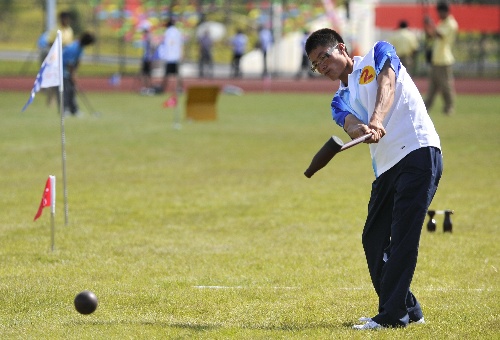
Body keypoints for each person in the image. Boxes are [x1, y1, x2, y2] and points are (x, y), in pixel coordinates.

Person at [305, 28, 442, 329]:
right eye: (316, 65)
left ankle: (392, 316)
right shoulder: (338, 99)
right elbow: (350, 122)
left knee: (402, 237)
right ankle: (409, 309)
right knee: (373, 239)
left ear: (340, 48)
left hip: (417, 151)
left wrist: (377, 119)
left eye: (324, 58)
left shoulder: (378, 53)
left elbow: (387, 83)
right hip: (386, 167)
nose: (322, 67)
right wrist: (360, 130)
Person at [423, 2, 458, 115]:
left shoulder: (451, 24)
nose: (438, 14)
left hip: (444, 59)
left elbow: (440, 35)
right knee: (432, 87)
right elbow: (432, 36)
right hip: (436, 59)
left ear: (445, 11)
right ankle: (424, 109)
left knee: (446, 86)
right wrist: (427, 27)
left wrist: (431, 23)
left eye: (439, 12)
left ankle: (449, 108)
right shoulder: (442, 23)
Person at [44, 11, 75, 107]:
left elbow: (71, 45)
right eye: (64, 18)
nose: (66, 20)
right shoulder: (56, 30)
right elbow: (49, 43)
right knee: (53, 80)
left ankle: (63, 102)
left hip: (65, 60)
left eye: (67, 19)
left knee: (65, 81)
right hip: (55, 58)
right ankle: (51, 99)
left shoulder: (69, 30)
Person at [62, 32, 95, 116]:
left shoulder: (80, 47)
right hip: (62, 70)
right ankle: (65, 109)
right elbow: (69, 64)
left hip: (69, 70)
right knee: (66, 90)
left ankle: (74, 110)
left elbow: (77, 61)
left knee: (72, 90)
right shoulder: (73, 48)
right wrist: (73, 74)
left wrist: (75, 73)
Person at [160, 19, 184, 93]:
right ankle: (179, 88)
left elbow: (164, 44)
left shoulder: (167, 32)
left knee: (166, 74)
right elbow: (180, 44)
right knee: (178, 74)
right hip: (176, 56)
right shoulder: (178, 32)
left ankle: (163, 88)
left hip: (169, 57)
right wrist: (181, 54)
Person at [139, 25, 155, 95]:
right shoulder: (146, 38)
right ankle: (146, 87)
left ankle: (149, 88)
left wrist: (150, 58)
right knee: (144, 73)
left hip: (148, 59)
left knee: (147, 74)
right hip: (145, 58)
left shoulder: (149, 38)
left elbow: (151, 49)